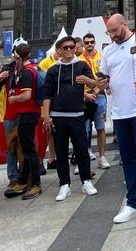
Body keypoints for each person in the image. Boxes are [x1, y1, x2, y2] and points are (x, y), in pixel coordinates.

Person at [91, 13, 136, 227]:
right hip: (120, 113)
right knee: (128, 159)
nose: (112, 35)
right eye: (109, 32)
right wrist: (98, 83)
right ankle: (133, 204)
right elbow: (104, 80)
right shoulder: (108, 51)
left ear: (124, 25)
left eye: (115, 31)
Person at [43, 35, 98, 201]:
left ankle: (86, 181)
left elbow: (94, 84)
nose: (68, 50)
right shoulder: (52, 70)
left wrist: (88, 80)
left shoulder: (82, 65)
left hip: (77, 115)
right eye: (65, 47)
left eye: (71, 47)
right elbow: (46, 94)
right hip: (58, 115)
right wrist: (46, 116)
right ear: (59, 50)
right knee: (60, 151)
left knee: (82, 149)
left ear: (75, 48)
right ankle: (64, 184)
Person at [3, 43, 44, 200]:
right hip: (25, 113)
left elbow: (26, 96)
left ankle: (36, 183)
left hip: (28, 112)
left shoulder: (27, 72)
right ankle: (23, 180)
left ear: (18, 56)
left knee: (29, 149)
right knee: (26, 148)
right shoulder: (29, 70)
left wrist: (13, 98)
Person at [80, 33, 112, 169]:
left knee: (100, 128)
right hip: (84, 97)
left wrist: (98, 90)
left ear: (95, 42)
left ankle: (102, 157)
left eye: (91, 42)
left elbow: (107, 76)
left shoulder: (101, 56)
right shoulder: (79, 60)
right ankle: (83, 157)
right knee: (84, 129)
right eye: (86, 42)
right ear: (83, 44)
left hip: (99, 96)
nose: (89, 44)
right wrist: (86, 94)